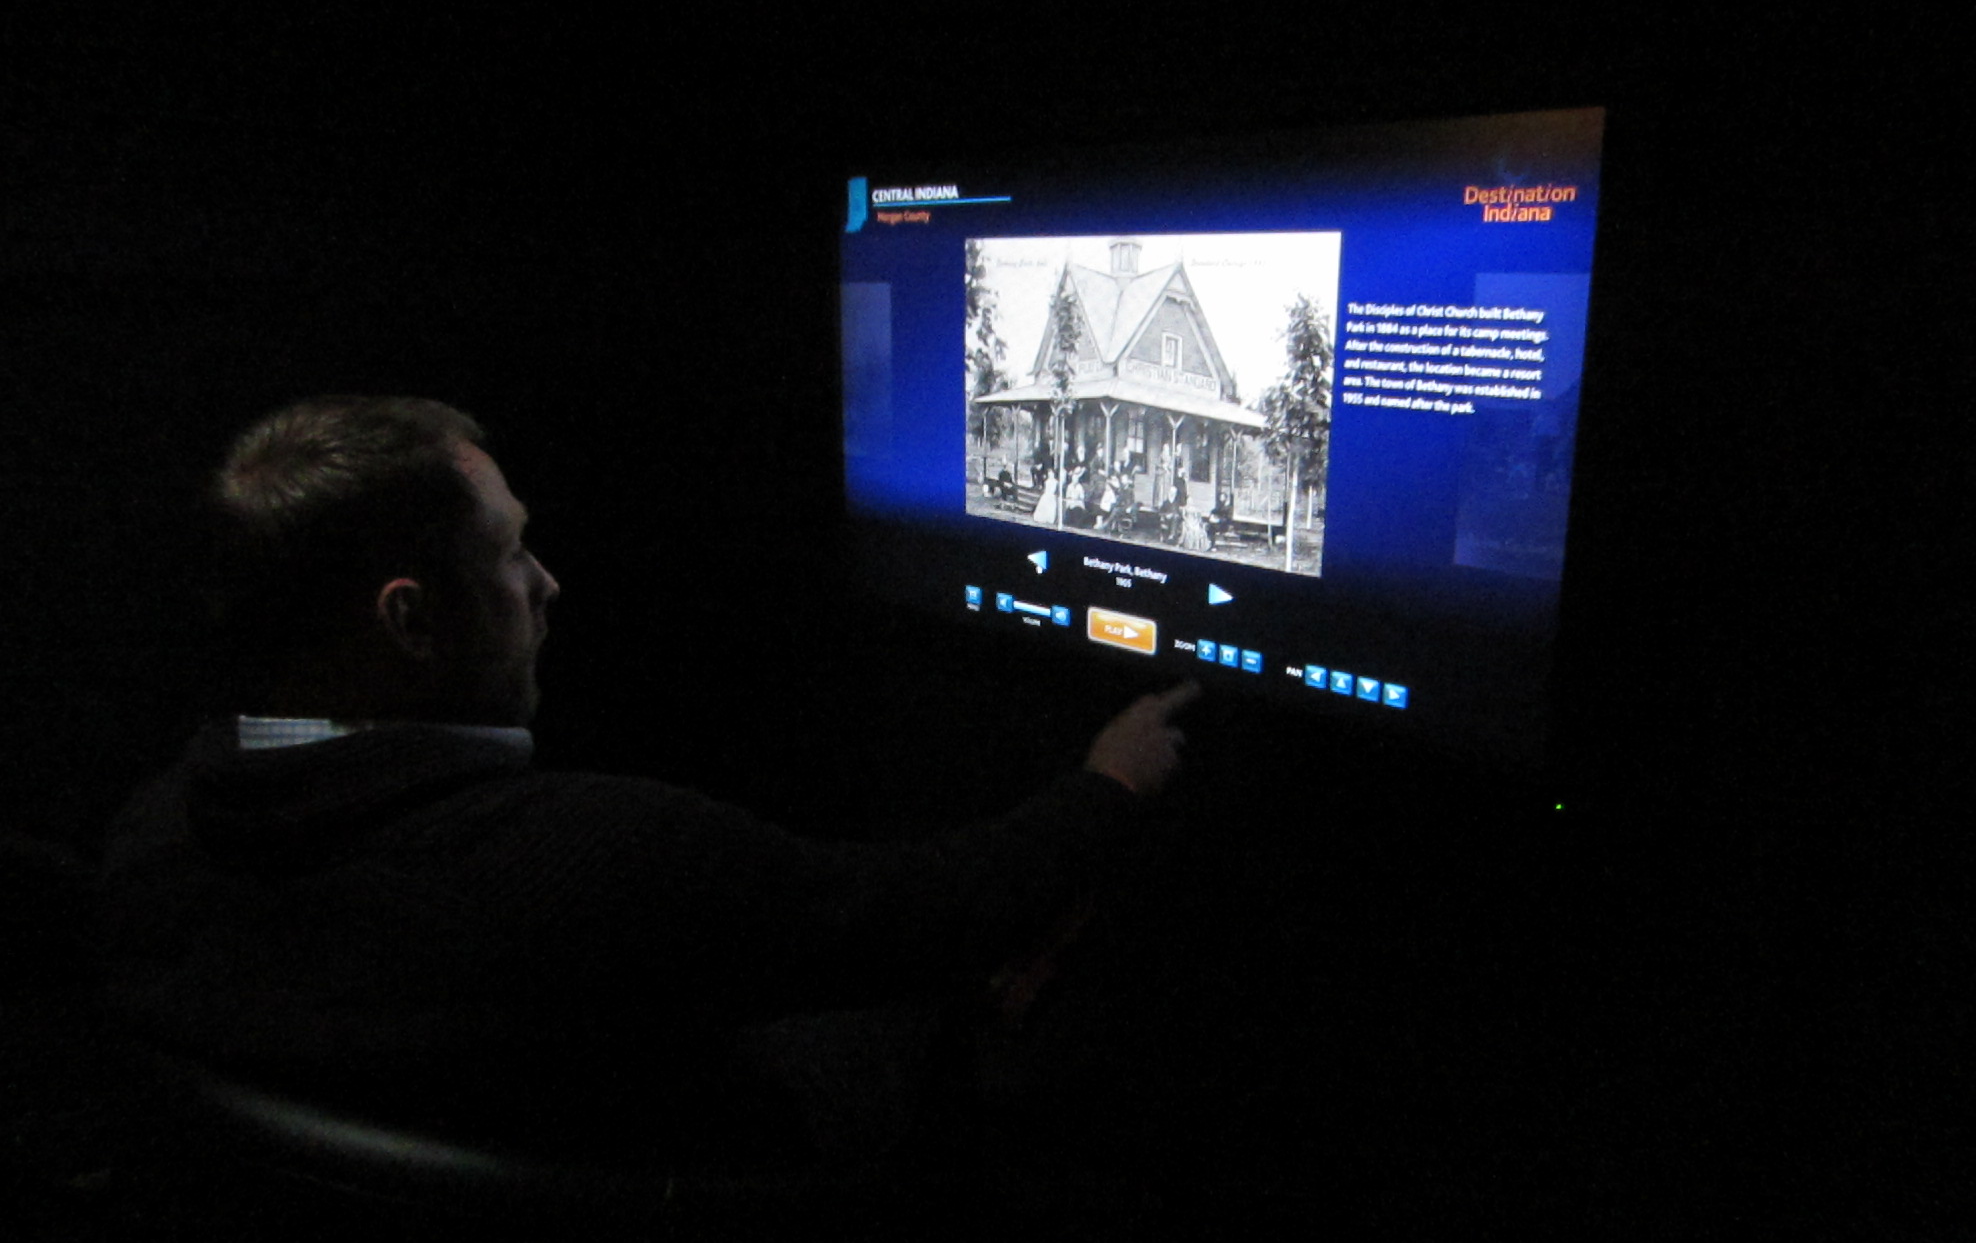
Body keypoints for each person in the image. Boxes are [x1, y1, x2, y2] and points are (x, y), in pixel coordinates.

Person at [96, 396, 1196, 1167]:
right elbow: (932, 914)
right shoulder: (595, 860)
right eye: (511, 555)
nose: (547, 583)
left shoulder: (145, 847)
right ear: (412, 620)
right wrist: (1109, 783)